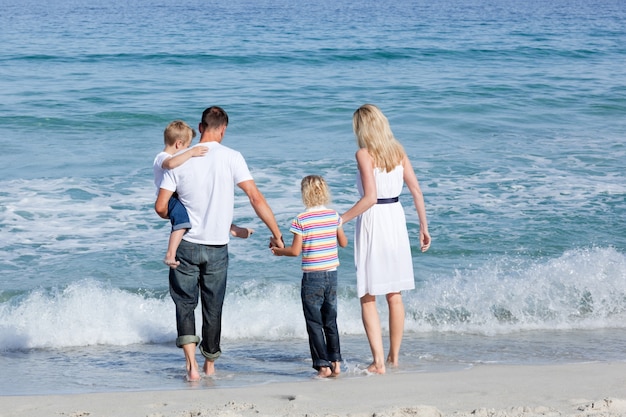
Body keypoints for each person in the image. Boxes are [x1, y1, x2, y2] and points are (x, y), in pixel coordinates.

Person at [154, 106, 284, 381]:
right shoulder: (232, 158)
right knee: (213, 307)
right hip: (217, 246)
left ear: (200, 128)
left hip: (185, 244)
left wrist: (180, 217)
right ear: (223, 130)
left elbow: (161, 207)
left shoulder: (179, 159)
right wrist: (276, 233)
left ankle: (191, 367)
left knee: (185, 304)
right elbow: (255, 197)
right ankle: (210, 364)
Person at [341, 104, 431, 375]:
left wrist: (340, 219)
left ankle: (378, 363)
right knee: (394, 294)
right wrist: (424, 227)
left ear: (362, 127)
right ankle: (393, 358)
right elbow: (416, 190)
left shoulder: (364, 154)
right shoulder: (398, 151)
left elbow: (369, 197)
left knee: (368, 294)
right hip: (395, 218)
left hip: (374, 220)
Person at [271, 175, 348, 378]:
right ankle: (336, 362)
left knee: (314, 323)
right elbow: (344, 242)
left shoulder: (301, 219)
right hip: (332, 275)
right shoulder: (333, 215)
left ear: (304, 194)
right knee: (330, 320)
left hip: (312, 277)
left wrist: (278, 251)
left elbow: (295, 251)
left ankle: (323, 366)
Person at [154, 121, 253, 269]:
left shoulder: (170, 156)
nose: (188, 149)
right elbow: (171, 164)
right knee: (182, 223)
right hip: (171, 200)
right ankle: (170, 253)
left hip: (174, 197)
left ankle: (231, 227)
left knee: (203, 210)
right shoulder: (163, 157)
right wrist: (191, 153)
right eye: (187, 145)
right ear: (178, 144)